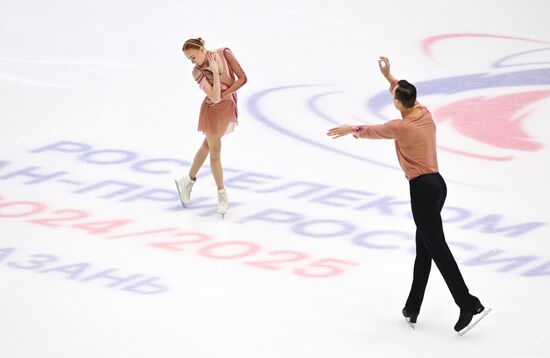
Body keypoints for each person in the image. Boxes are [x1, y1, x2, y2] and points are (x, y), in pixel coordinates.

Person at [327, 57, 488, 334]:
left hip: (422, 190)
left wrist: (348, 128)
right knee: (424, 249)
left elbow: (371, 131)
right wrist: (389, 77)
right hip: (438, 186)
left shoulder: (401, 127)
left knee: (437, 249)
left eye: (395, 97)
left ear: (398, 104)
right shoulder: (424, 112)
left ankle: (468, 303)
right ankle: (413, 307)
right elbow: (401, 90)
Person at [176, 38, 247, 218]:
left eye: (193, 56)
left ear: (201, 49)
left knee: (207, 146)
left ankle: (187, 180)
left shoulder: (224, 53)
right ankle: (221, 193)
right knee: (215, 152)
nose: (193, 61)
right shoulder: (197, 72)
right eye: (189, 59)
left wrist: (225, 93)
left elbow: (243, 79)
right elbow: (214, 98)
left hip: (228, 108)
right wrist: (215, 73)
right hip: (211, 111)